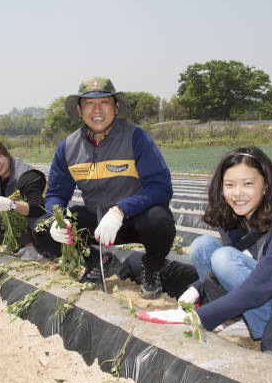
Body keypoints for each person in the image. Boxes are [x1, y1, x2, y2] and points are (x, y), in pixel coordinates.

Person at [138, 146, 272, 363]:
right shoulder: (238, 222)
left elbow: (259, 288)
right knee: (203, 246)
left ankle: (261, 327)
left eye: (248, 184)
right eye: (229, 185)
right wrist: (196, 289)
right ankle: (242, 321)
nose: (237, 193)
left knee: (224, 258)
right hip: (269, 299)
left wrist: (196, 317)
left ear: (266, 185)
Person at [38, 76, 176, 299]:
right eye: (89, 104)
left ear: (116, 107)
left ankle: (151, 269)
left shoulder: (136, 138)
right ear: (79, 110)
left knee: (160, 219)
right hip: (97, 223)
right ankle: (99, 262)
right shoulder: (68, 147)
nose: (97, 110)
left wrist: (120, 210)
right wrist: (56, 217)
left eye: (105, 103)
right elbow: (55, 193)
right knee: (43, 229)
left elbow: (161, 187)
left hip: (134, 220)